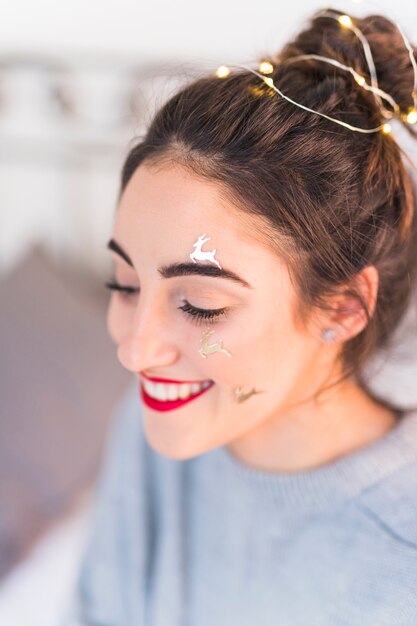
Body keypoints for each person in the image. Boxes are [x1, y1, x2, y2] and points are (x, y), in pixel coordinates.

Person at [65, 6, 417, 625]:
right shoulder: (162, 419)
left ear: (343, 305)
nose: (136, 350)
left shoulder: (400, 555)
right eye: (123, 284)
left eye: (202, 306)